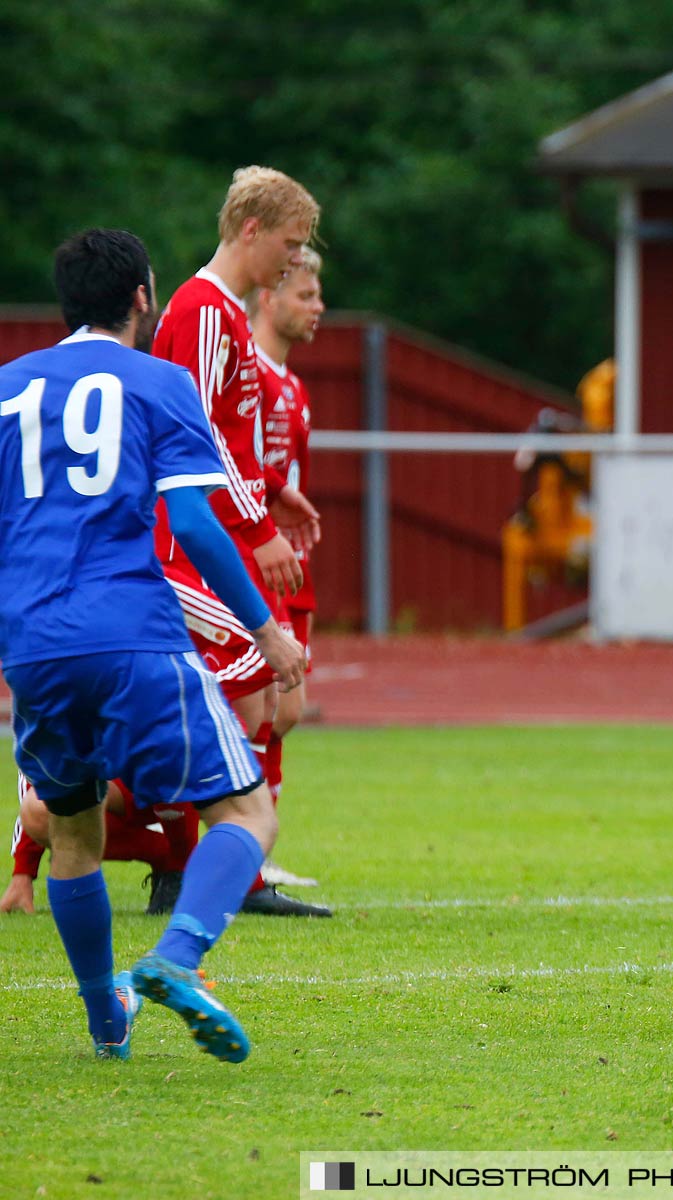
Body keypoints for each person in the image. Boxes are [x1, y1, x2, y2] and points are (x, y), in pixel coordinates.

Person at [0, 228, 305, 1060]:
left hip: (31, 647)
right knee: (247, 810)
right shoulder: (162, 383)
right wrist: (266, 628)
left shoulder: (7, 390)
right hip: (131, 635)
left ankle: (108, 1023)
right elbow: (198, 527)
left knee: (70, 834)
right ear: (142, 297)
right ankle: (174, 957)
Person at [151, 165, 329, 918]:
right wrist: (255, 529)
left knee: (259, 699)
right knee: (252, 687)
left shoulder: (220, 311)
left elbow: (228, 435)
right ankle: (179, 853)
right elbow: (189, 439)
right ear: (251, 230)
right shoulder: (200, 311)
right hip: (185, 544)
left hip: (220, 530)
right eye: (289, 245)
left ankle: (199, 867)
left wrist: (271, 491)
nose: (294, 262)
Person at [252, 245, 326, 889]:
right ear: (269, 298)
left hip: (292, 564)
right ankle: (236, 846)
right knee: (274, 705)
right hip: (254, 562)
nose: (317, 307)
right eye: (306, 295)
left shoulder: (295, 386)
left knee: (287, 708)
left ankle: (251, 847)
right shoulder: (249, 373)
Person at [5, 777, 199, 915]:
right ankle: (165, 853)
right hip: (110, 780)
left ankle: (184, 865)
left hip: (159, 771)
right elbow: (39, 767)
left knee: (169, 756)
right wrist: (23, 872)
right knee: (38, 808)